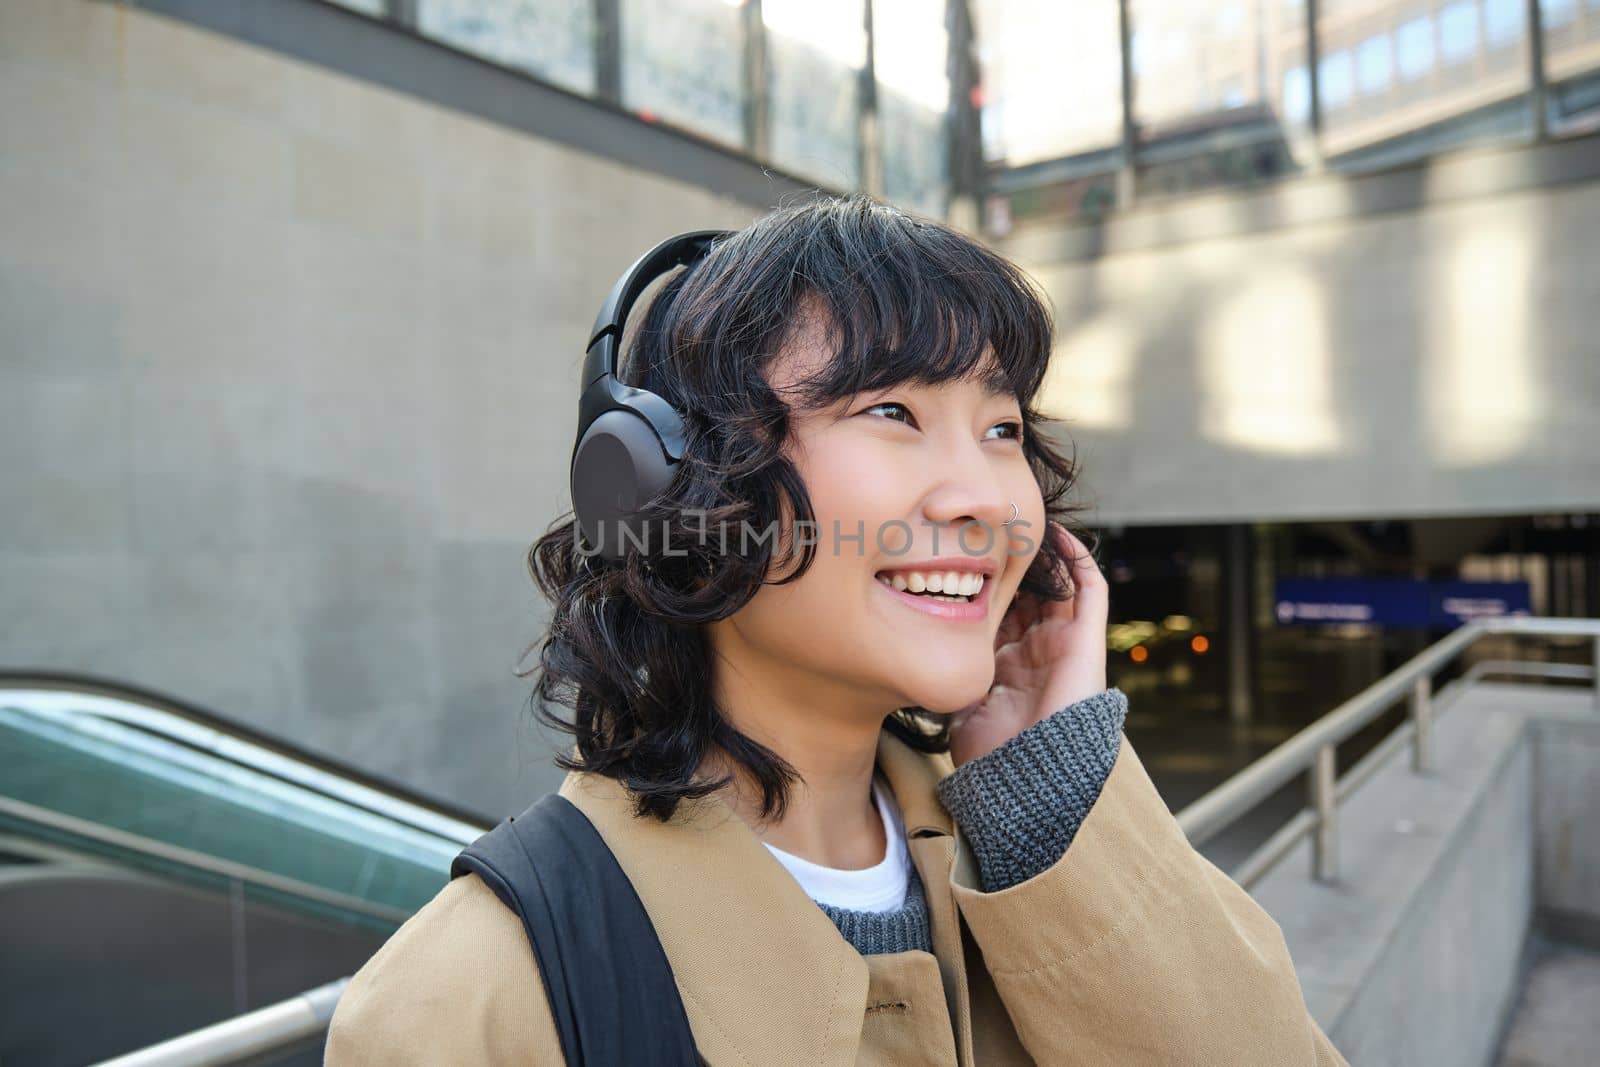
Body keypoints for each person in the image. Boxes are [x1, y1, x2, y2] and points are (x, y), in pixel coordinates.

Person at [324, 195, 1349, 1066]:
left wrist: (1050, 788)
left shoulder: (1034, 859)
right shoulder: (476, 996)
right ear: (668, 481)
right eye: (893, 412)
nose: (988, 500)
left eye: (1001, 428)